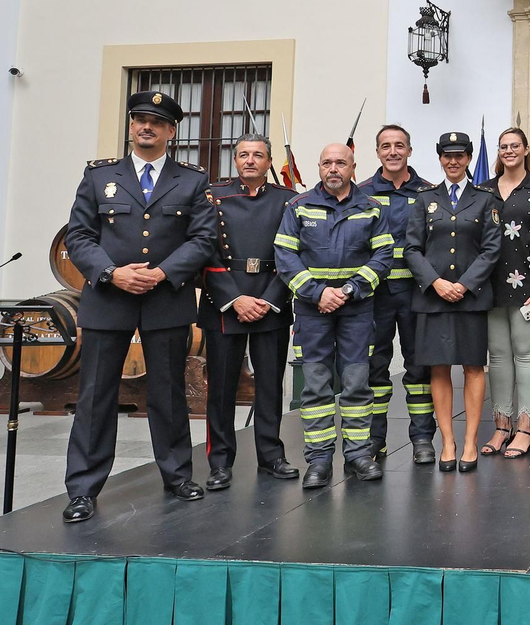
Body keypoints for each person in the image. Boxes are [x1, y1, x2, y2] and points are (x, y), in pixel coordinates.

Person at [61, 91, 218, 524]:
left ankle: (177, 475)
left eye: (155, 121)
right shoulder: (99, 177)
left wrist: (163, 273)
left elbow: (203, 240)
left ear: (171, 131)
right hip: (108, 300)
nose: (145, 126)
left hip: (165, 300)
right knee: (94, 396)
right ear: (131, 127)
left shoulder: (191, 180)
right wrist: (113, 273)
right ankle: (83, 489)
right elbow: (78, 237)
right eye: (139, 120)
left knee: (168, 393)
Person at [274, 143, 396, 489]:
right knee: (315, 387)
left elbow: (383, 256)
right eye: (327, 162)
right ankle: (320, 460)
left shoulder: (371, 208)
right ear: (319, 166)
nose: (333, 169)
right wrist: (318, 293)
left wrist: (346, 291)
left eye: (340, 163)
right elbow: (285, 255)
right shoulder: (298, 206)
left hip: (357, 309)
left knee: (358, 384)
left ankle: (359, 455)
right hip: (313, 312)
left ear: (353, 167)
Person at [199, 133, 297, 489]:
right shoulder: (213, 197)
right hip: (224, 301)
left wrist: (270, 298)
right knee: (221, 388)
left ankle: (271, 456)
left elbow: (292, 253)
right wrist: (234, 299)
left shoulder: (288, 201)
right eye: (244, 154)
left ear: (270, 162)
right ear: (235, 160)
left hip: (272, 299)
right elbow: (203, 249)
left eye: (258, 155)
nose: (251, 160)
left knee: (270, 386)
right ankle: (220, 462)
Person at [405, 131, 501, 472]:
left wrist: (464, 284)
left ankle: (471, 440)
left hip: (470, 298)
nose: (453, 161)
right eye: (447, 155)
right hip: (433, 298)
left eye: (460, 155)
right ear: (440, 158)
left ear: (468, 158)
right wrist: (436, 282)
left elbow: (492, 249)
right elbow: (411, 248)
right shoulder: (424, 198)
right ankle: (447, 440)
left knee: (474, 367)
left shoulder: (485, 199)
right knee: (439, 368)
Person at [479, 127, 530, 459]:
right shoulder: (482, 190)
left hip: (529, 287)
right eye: (504, 147)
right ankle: (501, 427)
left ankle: (525, 428)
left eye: (515, 146)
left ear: (526, 149)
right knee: (497, 357)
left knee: (527, 356)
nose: (509, 151)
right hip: (489, 285)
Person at [360, 125, 438, 465]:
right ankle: (375, 441)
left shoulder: (429, 193)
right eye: (386, 146)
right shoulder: (360, 194)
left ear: (409, 150)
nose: (393, 151)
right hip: (374, 297)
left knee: (419, 369)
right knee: (374, 371)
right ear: (377, 152)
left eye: (399, 146)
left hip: (416, 296)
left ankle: (422, 438)